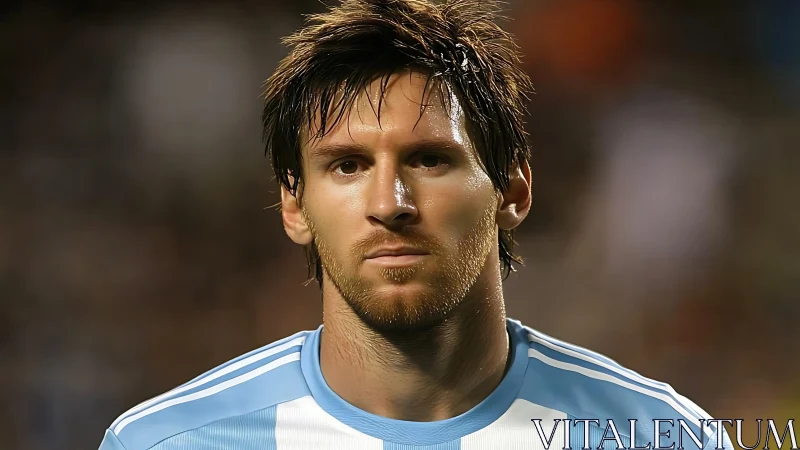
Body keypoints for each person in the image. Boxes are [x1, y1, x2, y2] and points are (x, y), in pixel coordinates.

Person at [99, 1, 733, 449]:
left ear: (513, 190)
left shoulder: (665, 436)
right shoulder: (166, 442)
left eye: (429, 159)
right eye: (347, 166)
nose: (390, 202)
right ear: (294, 206)